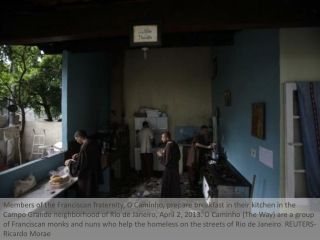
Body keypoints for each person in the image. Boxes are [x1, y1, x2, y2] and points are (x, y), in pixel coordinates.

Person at [65, 130, 103, 198]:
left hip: (88, 175)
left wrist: (70, 163)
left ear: (79, 136)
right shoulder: (92, 142)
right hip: (94, 171)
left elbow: (81, 165)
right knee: (93, 192)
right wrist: (79, 155)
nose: (76, 141)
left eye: (76, 139)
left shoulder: (84, 146)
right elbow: (88, 156)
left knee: (87, 193)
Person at [187, 125, 213, 196]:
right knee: (192, 175)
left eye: (207, 131)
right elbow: (197, 144)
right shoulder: (197, 136)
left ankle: (195, 187)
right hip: (193, 159)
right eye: (205, 131)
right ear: (202, 130)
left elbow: (203, 145)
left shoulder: (202, 137)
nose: (206, 132)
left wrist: (209, 145)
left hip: (197, 159)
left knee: (196, 175)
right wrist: (207, 147)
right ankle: (192, 190)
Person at [157, 131, 181, 198]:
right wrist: (165, 152)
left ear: (167, 138)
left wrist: (160, 155)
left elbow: (166, 161)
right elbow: (176, 155)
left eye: (162, 137)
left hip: (169, 170)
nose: (161, 139)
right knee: (174, 184)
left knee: (167, 184)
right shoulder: (174, 143)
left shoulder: (168, 146)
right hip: (175, 168)